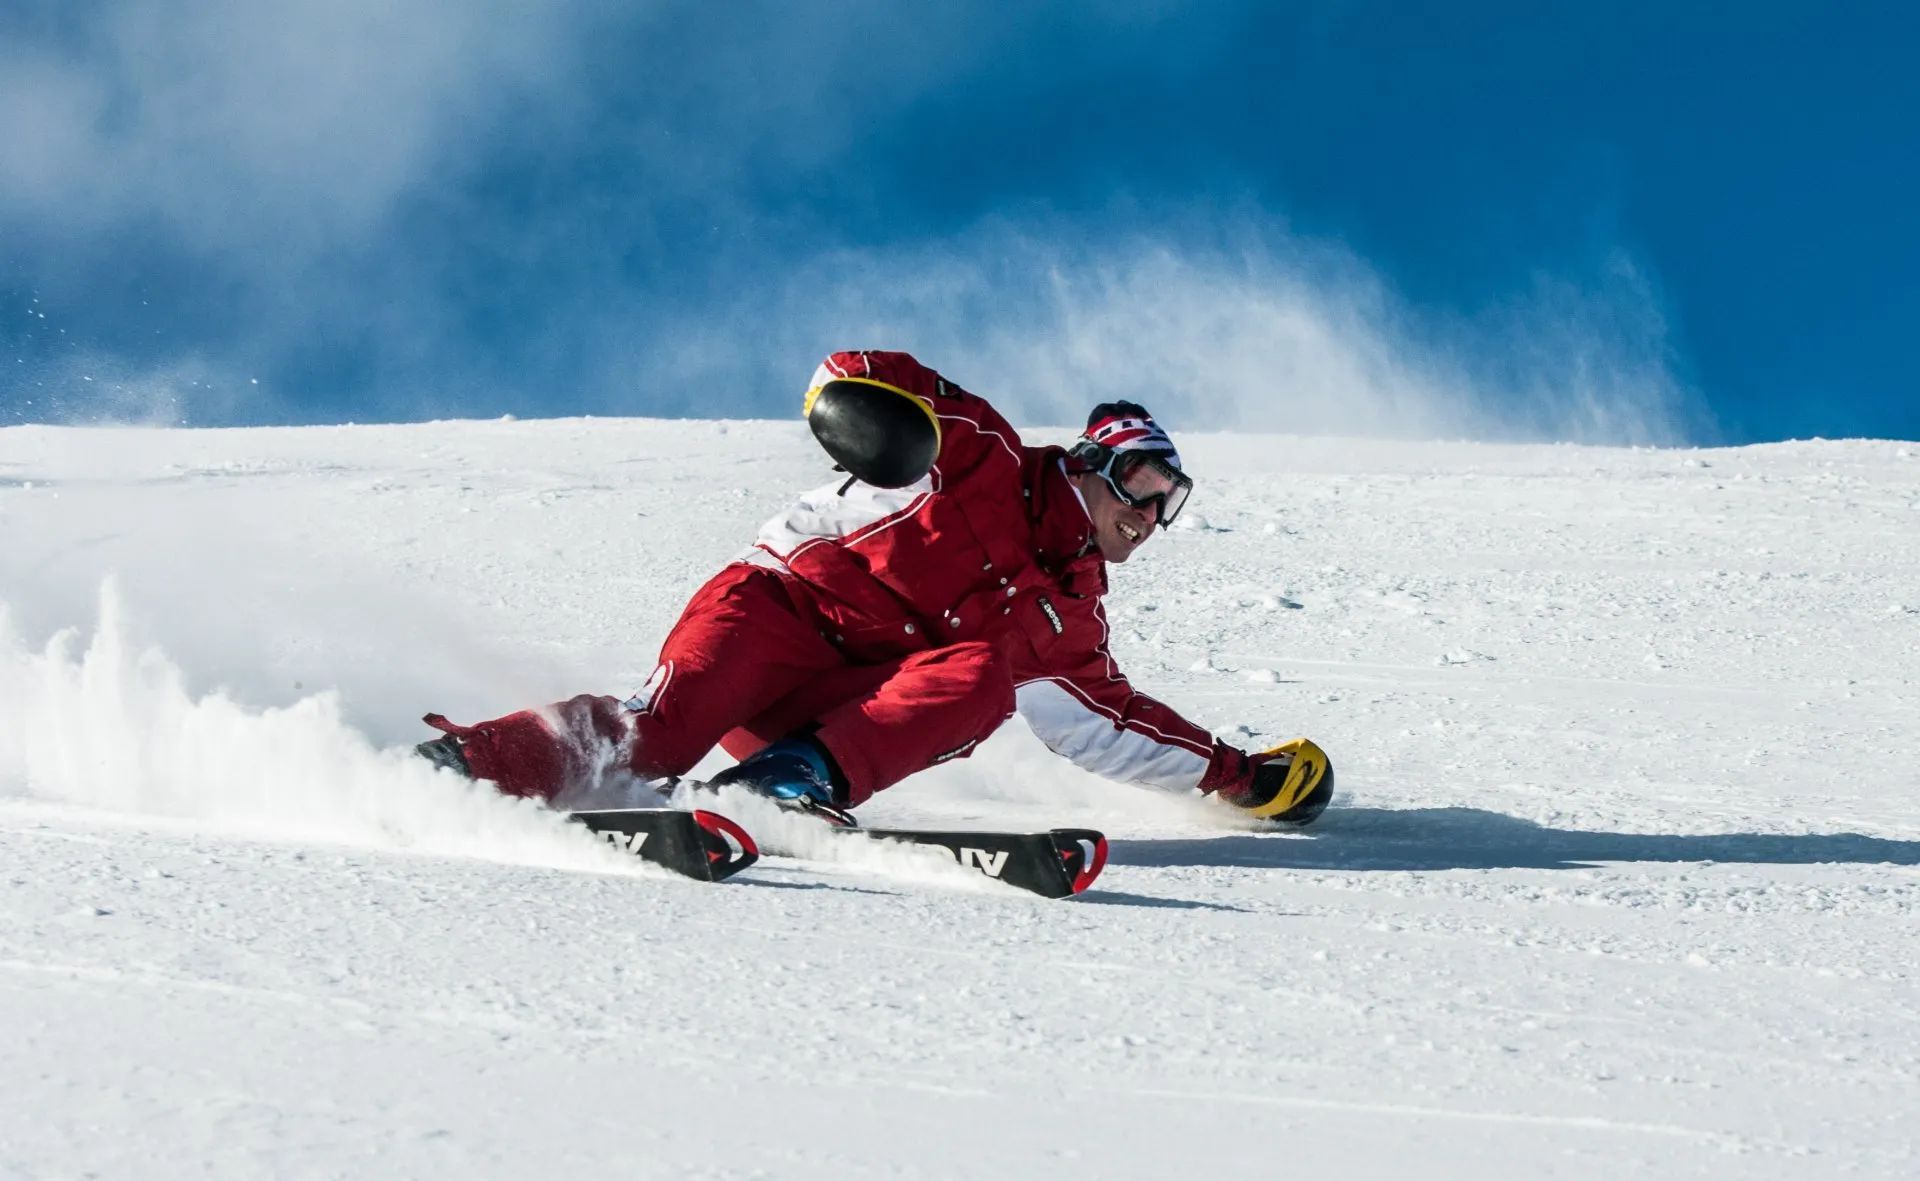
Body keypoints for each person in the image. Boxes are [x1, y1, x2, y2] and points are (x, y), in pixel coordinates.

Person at [417, 349, 1331, 826]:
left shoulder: (1069, 619)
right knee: (659, 733)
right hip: (775, 614)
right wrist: (869, 422)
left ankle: (783, 786)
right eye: (1143, 487)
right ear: (1094, 465)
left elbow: (1114, 726)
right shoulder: (984, 455)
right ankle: (475, 766)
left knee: (981, 679)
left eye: (1167, 504)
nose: (1149, 515)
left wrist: (1240, 776)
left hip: (828, 714)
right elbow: (860, 371)